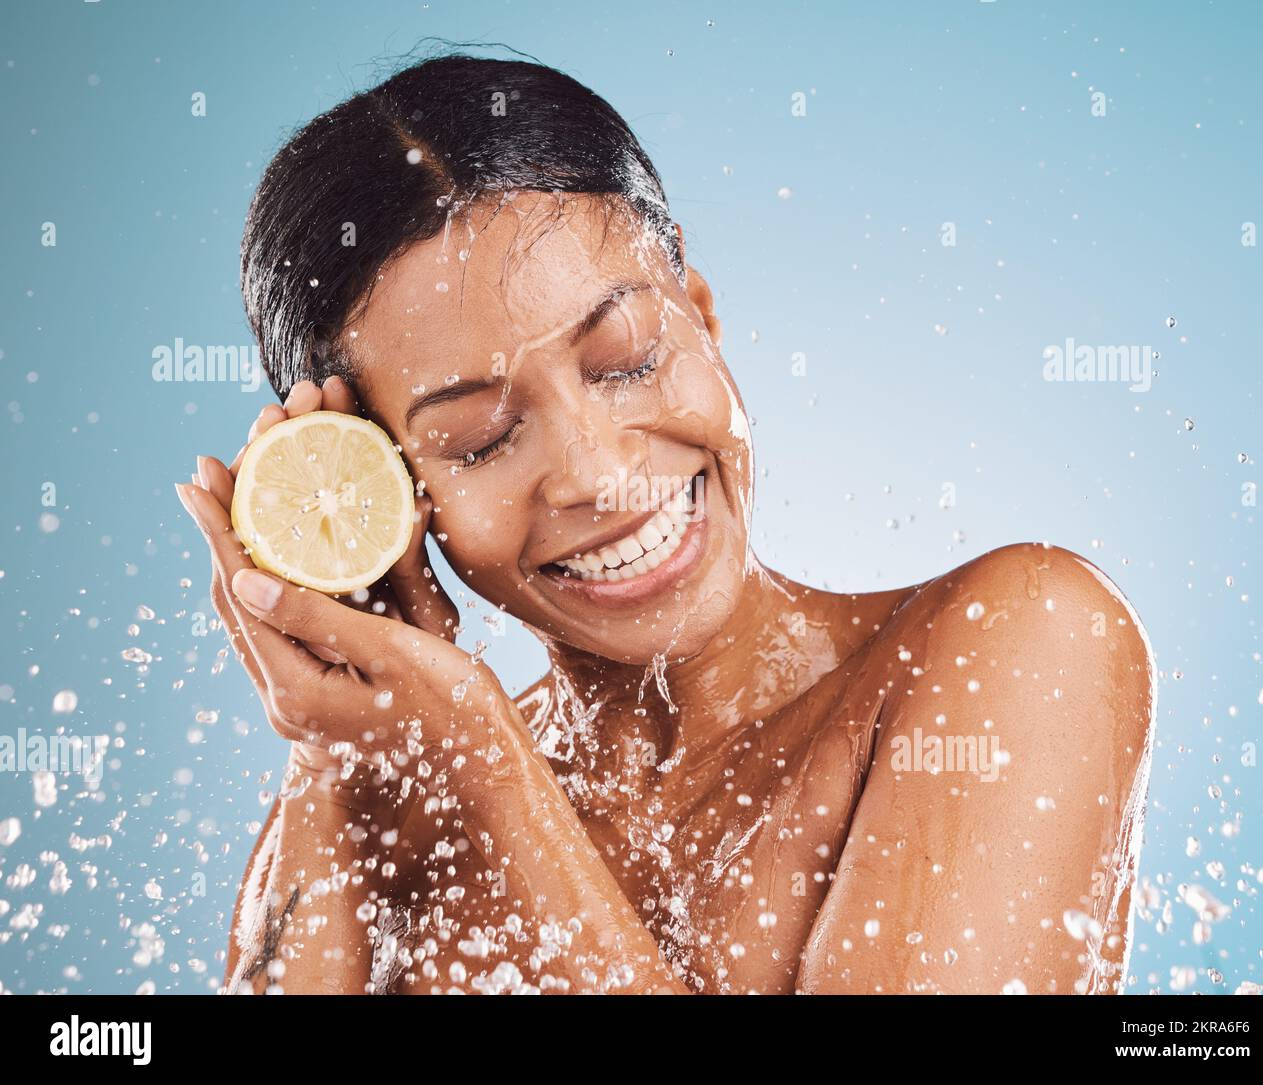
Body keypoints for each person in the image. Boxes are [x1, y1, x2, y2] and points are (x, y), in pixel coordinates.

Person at [175, 54, 1155, 995]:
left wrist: (488, 771)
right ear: (392, 491)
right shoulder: (396, 798)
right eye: (480, 439)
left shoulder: (1015, 643)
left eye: (627, 356)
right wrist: (339, 758)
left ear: (699, 311)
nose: (600, 471)